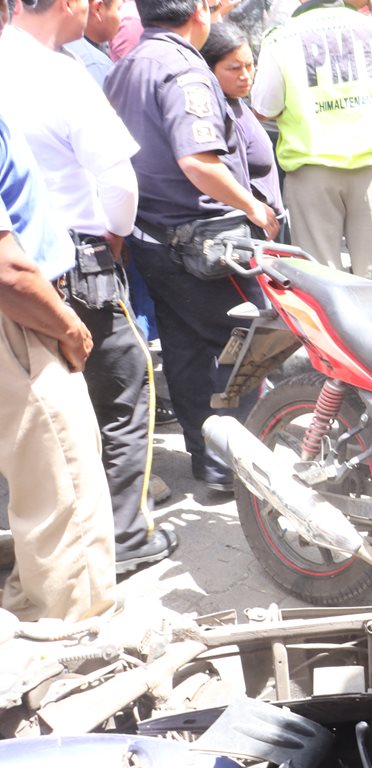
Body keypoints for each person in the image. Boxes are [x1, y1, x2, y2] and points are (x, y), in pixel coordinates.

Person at [0, 0, 175, 573]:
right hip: (72, 257)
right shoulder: (61, 74)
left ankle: (33, 538)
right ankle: (125, 536)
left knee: (33, 406)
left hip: (16, 269)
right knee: (124, 389)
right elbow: (118, 180)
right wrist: (115, 235)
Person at [105, 0, 277, 494]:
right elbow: (198, 162)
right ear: (199, 10)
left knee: (184, 348)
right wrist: (255, 208)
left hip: (153, 239)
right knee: (249, 342)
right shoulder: (182, 68)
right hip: (204, 241)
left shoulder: (124, 69)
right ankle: (239, 467)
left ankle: (211, 461)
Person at [0, 108, 117, 621]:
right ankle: (71, 641)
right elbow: (6, 270)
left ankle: (34, 609)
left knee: (43, 489)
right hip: (17, 320)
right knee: (65, 494)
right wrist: (67, 326)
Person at [251, 0, 372, 285]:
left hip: (312, 170)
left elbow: (265, 106)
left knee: (324, 277)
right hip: (370, 168)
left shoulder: (280, 37)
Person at [199, 22, 284, 228]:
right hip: (248, 227)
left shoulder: (237, 103)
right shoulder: (219, 113)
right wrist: (252, 207)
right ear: (210, 69)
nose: (245, 76)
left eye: (249, 65)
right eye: (234, 68)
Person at [62, 0, 124, 84]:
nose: (123, 17)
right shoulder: (96, 65)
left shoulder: (58, 41)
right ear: (98, 9)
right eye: (119, 8)